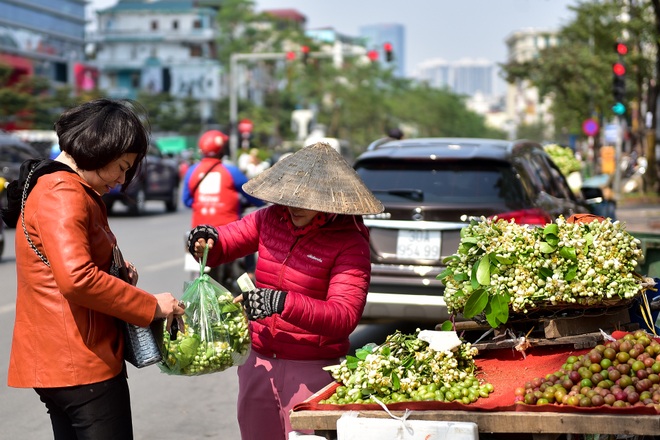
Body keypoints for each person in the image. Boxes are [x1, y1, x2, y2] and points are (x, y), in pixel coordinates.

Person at [1, 98, 186, 440]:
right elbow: (77, 279)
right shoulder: (62, 191)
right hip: (79, 361)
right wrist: (150, 306)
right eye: (122, 166)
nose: (122, 178)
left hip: (67, 358)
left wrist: (116, 274)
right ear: (98, 149)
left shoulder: (63, 187)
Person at [186, 141, 384, 440]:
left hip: (313, 370)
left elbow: (344, 316)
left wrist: (281, 302)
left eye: (305, 200)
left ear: (330, 201)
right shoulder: (269, 218)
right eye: (290, 197)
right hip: (258, 362)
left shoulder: (350, 242)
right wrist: (207, 239)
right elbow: (227, 241)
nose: (294, 206)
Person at [182, 130, 263, 282]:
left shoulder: (192, 171)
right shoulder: (231, 171)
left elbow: (186, 201)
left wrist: (203, 204)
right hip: (228, 228)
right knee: (250, 239)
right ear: (222, 149)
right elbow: (251, 194)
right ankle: (251, 274)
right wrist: (260, 202)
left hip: (198, 231)